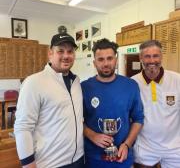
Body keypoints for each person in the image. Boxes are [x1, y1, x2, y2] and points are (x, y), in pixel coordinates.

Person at [14, 33, 84, 168]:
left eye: (70, 51)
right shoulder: (34, 82)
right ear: (50, 54)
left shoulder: (76, 82)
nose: (66, 55)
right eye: (60, 51)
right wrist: (28, 164)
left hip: (79, 160)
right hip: (51, 163)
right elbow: (23, 127)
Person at [81, 38, 144, 168]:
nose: (105, 63)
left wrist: (127, 144)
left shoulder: (131, 86)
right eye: (101, 59)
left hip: (123, 158)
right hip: (92, 158)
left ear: (115, 60)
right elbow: (74, 121)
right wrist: (92, 135)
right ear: (94, 63)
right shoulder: (83, 88)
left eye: (109, 58)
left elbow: (138, 119)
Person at [132, 40, 180, 168]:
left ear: (161, 56)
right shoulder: (132, 83)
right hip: (145, 148)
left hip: (175, 148)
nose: (152, 60)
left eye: (156, 56)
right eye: (147, 56)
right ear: (140, 58)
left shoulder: (177, 80)